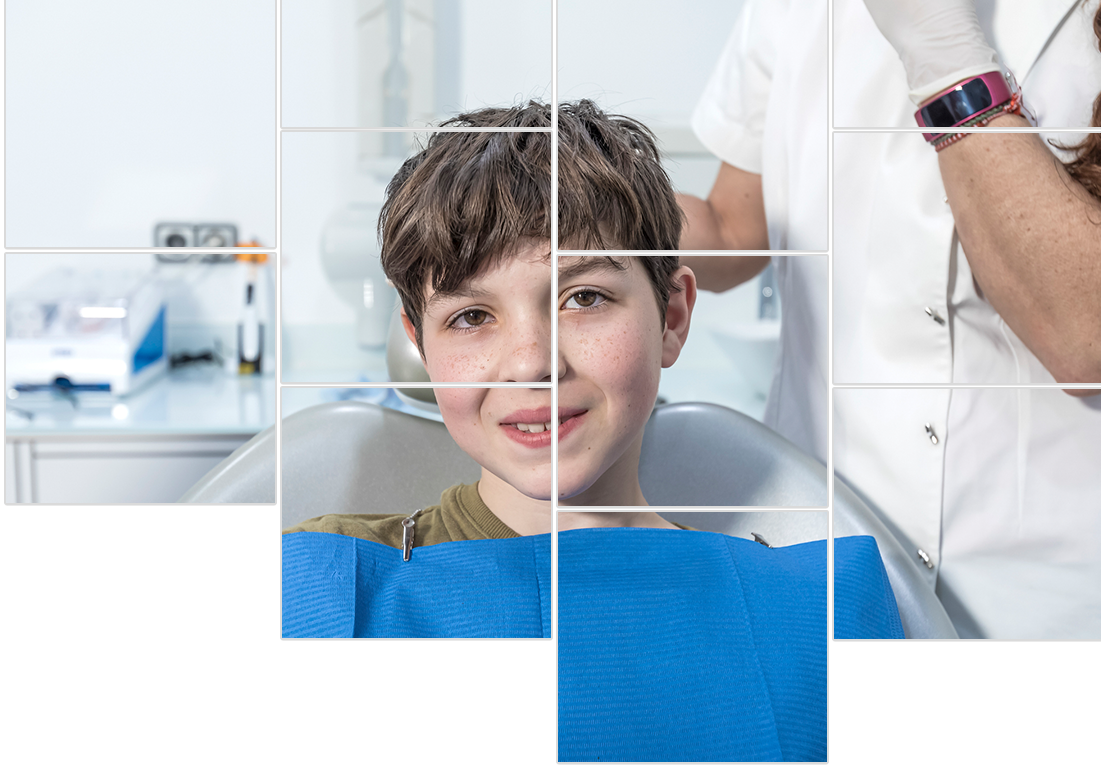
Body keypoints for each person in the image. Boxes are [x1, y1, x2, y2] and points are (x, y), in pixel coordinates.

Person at [179, 100, 941, 763]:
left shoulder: (806, 624)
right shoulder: (313, 599)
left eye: (583, 297)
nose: (531, 362)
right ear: (420, 343)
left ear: (672, 316)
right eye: (470, 316)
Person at [679, 0, 1101, 763]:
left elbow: (1085, 335)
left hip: (1053, 655)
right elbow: (731, 228)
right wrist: (583, 199)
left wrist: (940, 46)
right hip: (824, 610)